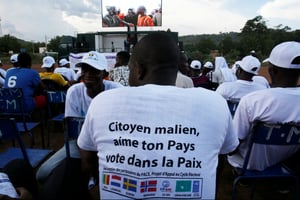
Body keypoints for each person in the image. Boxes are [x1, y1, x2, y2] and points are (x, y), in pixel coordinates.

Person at [77, 32, 239, 199]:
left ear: (139, 70)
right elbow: (226, 151)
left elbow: (88, 158)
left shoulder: (102, 102)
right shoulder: (215, 102)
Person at [36, 51, 123, 183]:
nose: (88, 74)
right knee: (42, 174)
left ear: (105, 74)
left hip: (109, 145)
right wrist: (86, 160)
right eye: (85, 69)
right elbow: (74, 131)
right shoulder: (74, 91)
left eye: (94, 70)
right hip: (79, 143)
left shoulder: (117, 90)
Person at [227, 41, 300, 171]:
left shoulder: (253, 101)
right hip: (289, 162)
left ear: (273, 71)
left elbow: (234, 143)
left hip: (250, 163)